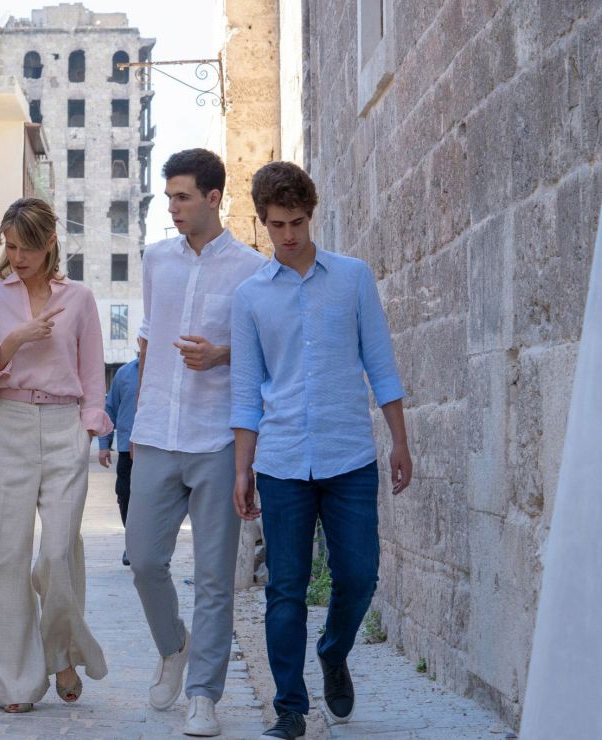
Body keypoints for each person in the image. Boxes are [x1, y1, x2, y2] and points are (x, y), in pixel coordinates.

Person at [231, 162, 413, 740]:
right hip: (281, 459)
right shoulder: (249, 298)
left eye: (299, 222)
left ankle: (333, 652)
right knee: (285, 586)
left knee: (359, 574)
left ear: (313, 214)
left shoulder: (353, 279)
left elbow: (380, 364)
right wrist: (244, 469)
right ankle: (290, 708)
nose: (290, 234)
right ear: (262, 223)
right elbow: (245, 392)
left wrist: (400, 441)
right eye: (278, 224)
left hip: (349, 456)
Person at [126, 149, 266, 737]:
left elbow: (266, 350)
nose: (173, 207)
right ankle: (173, 645)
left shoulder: (253, 269)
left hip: (216, 438)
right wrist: (135, 419)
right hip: (157, 432)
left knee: (213, 576)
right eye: (169, 198)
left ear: (214, 198)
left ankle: (204, 695)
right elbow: (147, 342)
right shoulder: (156, 259)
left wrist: (222, 353)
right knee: (145, 559)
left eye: (182, 197)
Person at [0, 197, 112, 714]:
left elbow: (93, 372)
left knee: (56, 552)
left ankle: (61, 651)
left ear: (50, 242)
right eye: (10, 246)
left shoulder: (80, 299)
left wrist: (92, 427)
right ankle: (14, 684)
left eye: (27, 247)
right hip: (11, 426)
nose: (17, 256)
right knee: (6, 558)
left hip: (65, 425)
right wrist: (13, 341)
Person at [98, 354, 139, 566]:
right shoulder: (124, 374)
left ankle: (148, 548)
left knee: (156, 501)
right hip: (126, 451)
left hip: (157, 450)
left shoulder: (165, 373)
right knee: (125, 495)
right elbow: (110, 411)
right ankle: (132, 543)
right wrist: (104, 446)